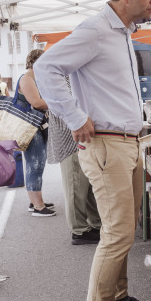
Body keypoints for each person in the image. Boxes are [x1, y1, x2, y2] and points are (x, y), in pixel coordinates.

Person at [34, 0, 151, 301]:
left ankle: (118, 299)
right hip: (106, 143)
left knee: (124, 228)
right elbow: (45, 67)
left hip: (126, 142)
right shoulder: (94, 30)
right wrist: (74, 116)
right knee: (118, 232)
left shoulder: (121, 32)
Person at [46, 78, 101, 246]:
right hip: (71, 140)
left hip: (78, 137)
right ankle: (79, 231)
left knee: (87, 185)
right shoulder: (60, 79)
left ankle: (95, 225)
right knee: (75, 186)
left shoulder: (69, 76)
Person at [19, 49, 55, 217]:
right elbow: (36, 103)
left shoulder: (35, 78)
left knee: (37, 164)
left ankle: (35, 201)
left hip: (36, 126)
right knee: (35, 164)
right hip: (30, 127)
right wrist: (59, 102)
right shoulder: (27, 79)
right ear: (36, 62)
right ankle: (38, 207)